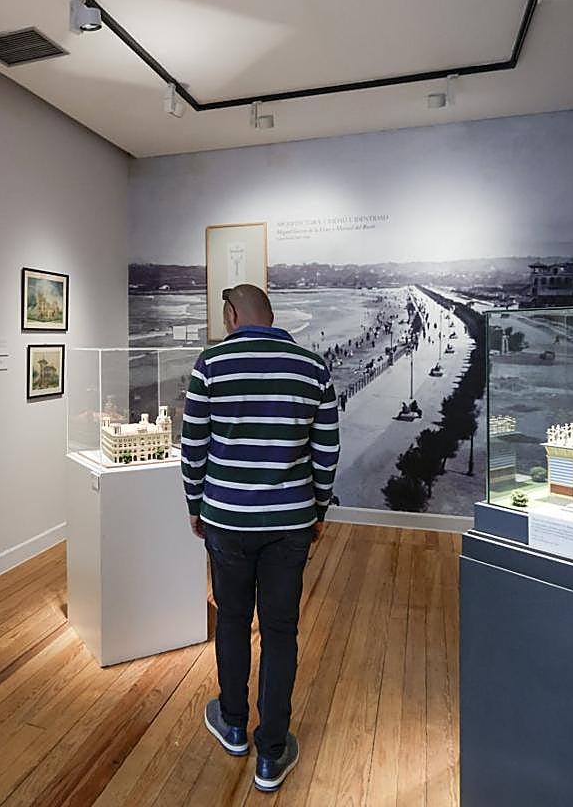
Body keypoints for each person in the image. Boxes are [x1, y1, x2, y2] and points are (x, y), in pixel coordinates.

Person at [182, 284, 340, 793]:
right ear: (270, 316)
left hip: (226, 520)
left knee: (231, 619)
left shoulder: (210, 364)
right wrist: (316, 510)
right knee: (280, 630)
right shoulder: (312, 367)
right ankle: (271, 752)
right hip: (290, 522)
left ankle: (232, 724)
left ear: (232, 315)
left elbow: (193, 448)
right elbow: (326, 452)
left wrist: (195, 506)